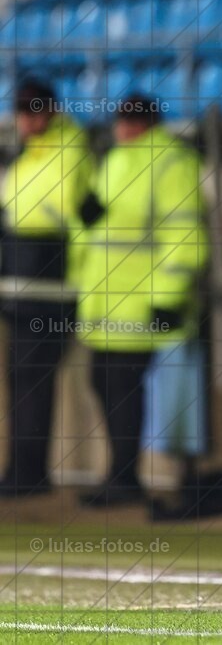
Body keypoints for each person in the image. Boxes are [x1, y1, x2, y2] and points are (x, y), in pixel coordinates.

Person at [76, 95, 208, 506]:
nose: (120, 126)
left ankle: (136, 479)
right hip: (109, 304)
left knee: (127, 389)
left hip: (143, 306)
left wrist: (167, 296)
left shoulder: (171, 162)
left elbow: (184, 233)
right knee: (107, 384)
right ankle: (123, 474)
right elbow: (101, 235)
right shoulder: (117, 159)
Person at [0, 80, 93, 497]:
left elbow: (75, 223)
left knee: (33, 382)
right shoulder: (26, 157)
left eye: (34, 111)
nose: (27, 119)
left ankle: (29, 474)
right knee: (23, 381)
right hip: (21, 293)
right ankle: (23, 470)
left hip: (51, 293)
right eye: (22, 111)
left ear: (53, 111)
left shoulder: (70, 153)